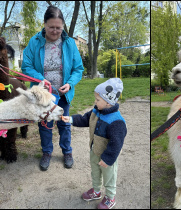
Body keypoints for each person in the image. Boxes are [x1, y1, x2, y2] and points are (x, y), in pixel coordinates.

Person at [21, 5, 84, 171]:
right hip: (43, 94)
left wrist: (70, 83)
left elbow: (78, 69)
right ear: (44, 25)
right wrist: (42, 80)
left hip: (63, 94)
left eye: (58, 27)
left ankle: (67, 152)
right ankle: (47, 152)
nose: (55, 31)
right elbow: (26, 66)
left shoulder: (69, 43)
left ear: (63, 26)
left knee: (64, 123)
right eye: (51, 27)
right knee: (45, 124)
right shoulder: (34, 42)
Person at [62, 78, 127, 209]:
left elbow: (116, 143)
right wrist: (70, 119)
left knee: (109, 177)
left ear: (109, 102)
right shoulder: (96, 111)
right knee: (95, 172)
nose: (95, 102)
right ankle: (96, 191)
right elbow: (85, 119)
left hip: (108, 157)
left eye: (98, 100)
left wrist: (108, 159)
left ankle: (110, 197)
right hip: (95, 151)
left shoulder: (116, 121)